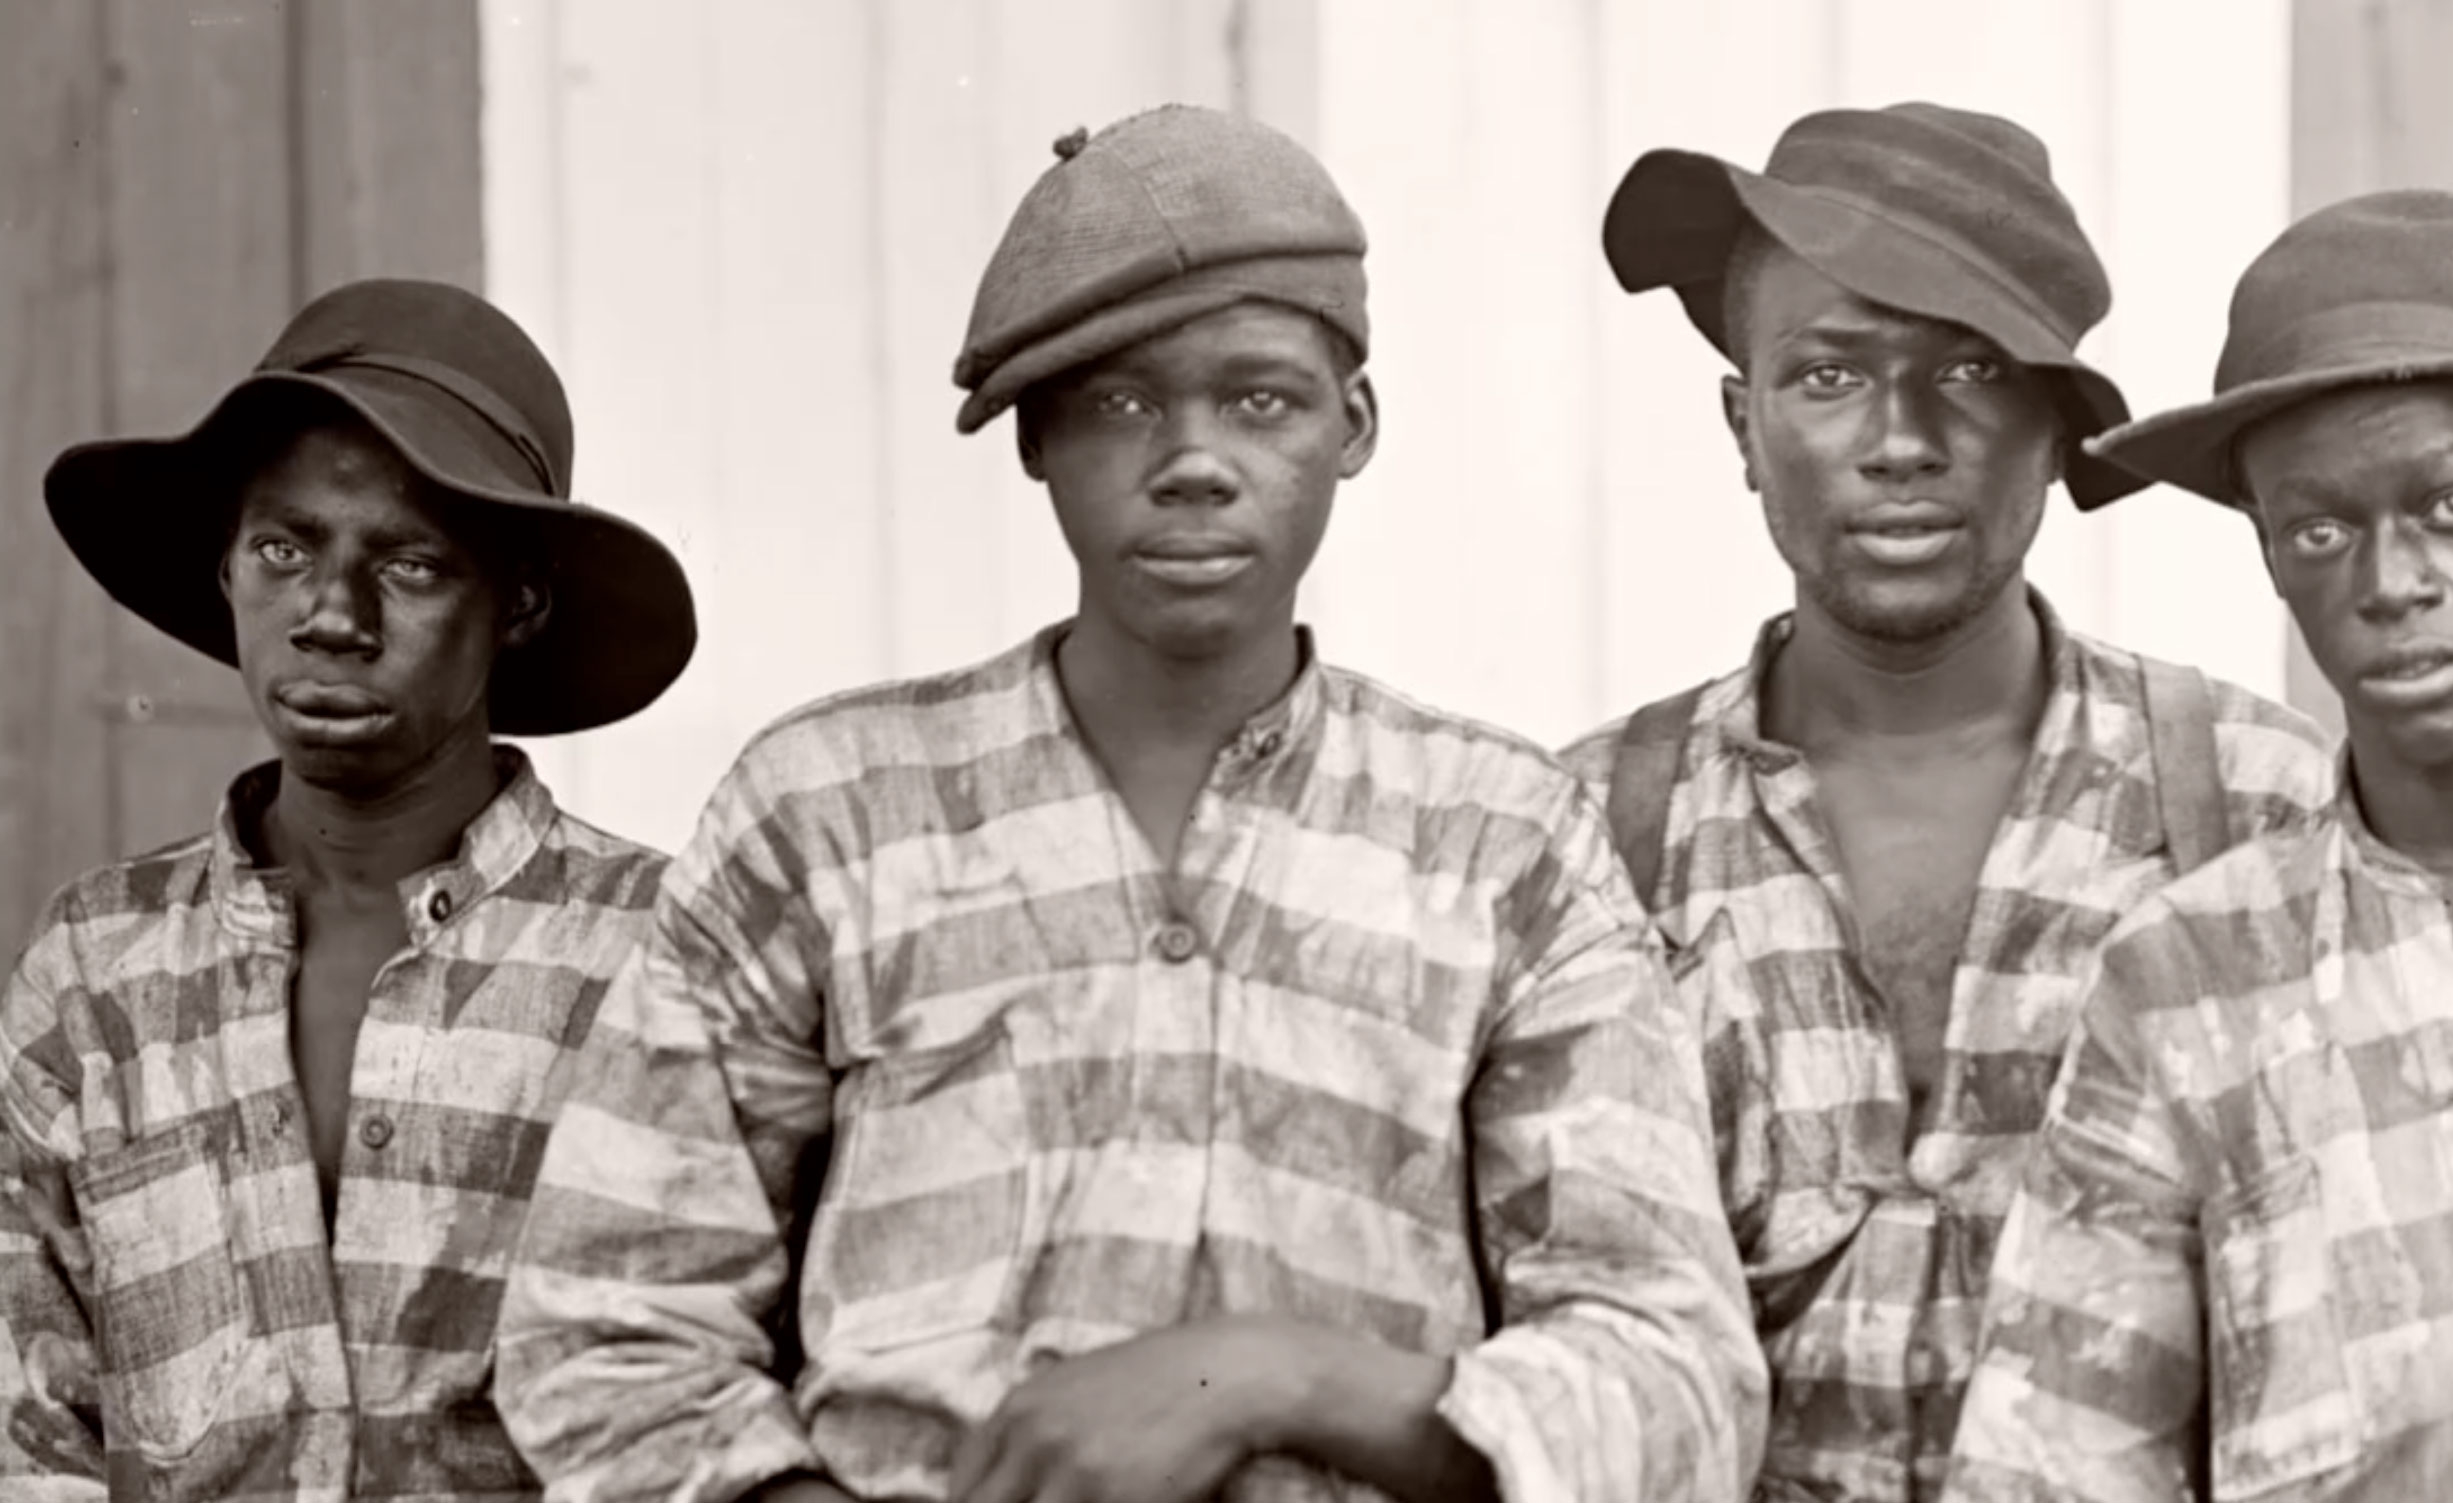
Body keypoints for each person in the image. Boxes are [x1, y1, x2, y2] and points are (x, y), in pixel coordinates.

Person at [491, 103, 1766, 1503]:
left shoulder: (1497, 835)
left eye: (1260, 397)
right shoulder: (829, 812)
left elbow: (1673, 1377)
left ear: (1355, 426)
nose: (1193, 457)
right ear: (1034, 435)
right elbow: (604, 1328)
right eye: (1120, 403)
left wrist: (1265, 1371)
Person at [1560, 103, 2334, 1503]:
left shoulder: (2255, 800)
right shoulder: (1585, 834)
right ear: (1741, 421)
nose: (1898, 438)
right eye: (1826, 373)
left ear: (2054, 426)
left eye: (1968, 368)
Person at [1946, 188, 2453, 1502]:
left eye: (2446, 505)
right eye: (2320, 529)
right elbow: (2051, 1460)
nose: (2387, 581)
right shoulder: (2187, 982)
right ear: (2268, 552)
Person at [0, 278, 699, 1500]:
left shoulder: (659, 956)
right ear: (226, 571)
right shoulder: (98, 968)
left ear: (518, 603)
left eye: (412, 565)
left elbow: (724, 1399)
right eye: (285, 549)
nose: (331, 615)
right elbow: (29, 1427)